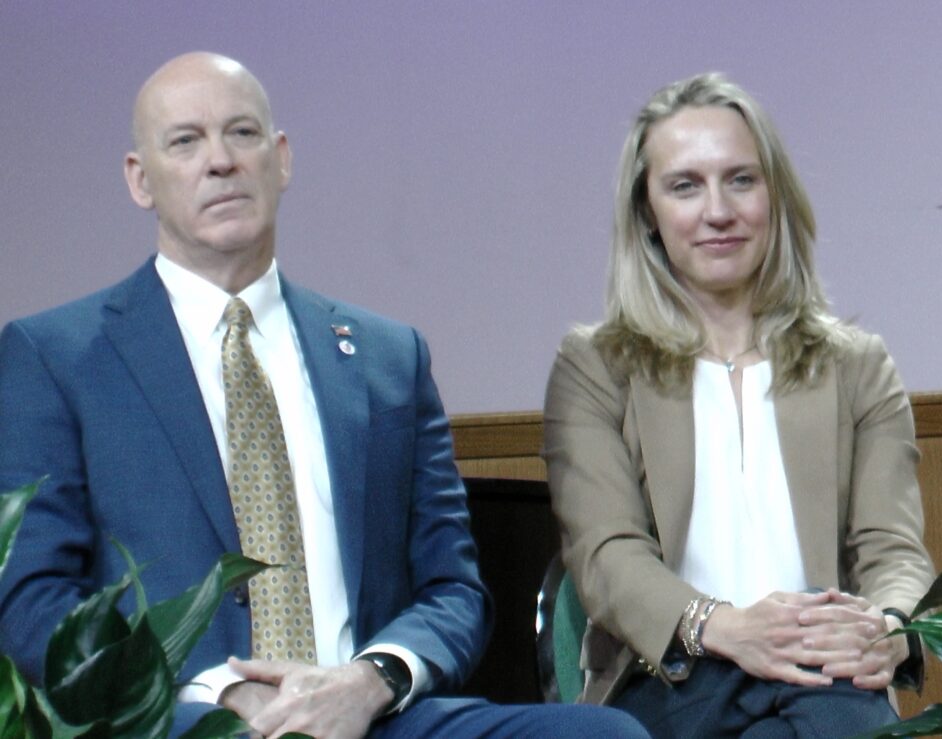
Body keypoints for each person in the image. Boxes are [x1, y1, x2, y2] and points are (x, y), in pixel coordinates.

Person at [0, 52, 648, 739]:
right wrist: (219, 695)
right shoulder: (57, 356)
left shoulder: (388, 357)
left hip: (367, 714)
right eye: (185, 141)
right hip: (176, 720)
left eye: (242, 133)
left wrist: (370, 681)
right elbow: (33, 602)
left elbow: (454, 590)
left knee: (606, 735)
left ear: (280, 159)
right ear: (140, 179)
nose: (220, 161)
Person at [542, 72, 934, 738]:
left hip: (824, 673)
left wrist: (889, 628)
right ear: (647, 212)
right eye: (685, 186)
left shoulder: (857, 366)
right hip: (671, 680)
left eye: (741, 180)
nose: (718, 210)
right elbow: (607, 556)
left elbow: (894, 552)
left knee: (818, 697)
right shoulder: (596, 368)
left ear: (774, 195)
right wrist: (728, 628)